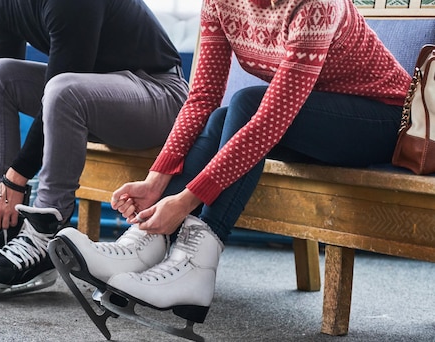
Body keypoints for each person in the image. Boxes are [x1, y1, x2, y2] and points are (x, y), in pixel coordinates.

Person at [56, 0, 411, 329]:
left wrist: (183, 202)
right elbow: (202, 98)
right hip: (313, 119)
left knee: (246, 105)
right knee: (225, 113)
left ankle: (196, 264)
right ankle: (149, 239)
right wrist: (155, 182)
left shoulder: (315, 5)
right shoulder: (221, 3)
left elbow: (269, 121)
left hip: (382, 121)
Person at [0, 0, 188, 298]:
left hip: (160, 94)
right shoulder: (1, 4)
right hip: (95, 92)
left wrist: (14, 182)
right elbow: (14, 75)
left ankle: (45, 234)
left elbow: (60, 86)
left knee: (63, 89)